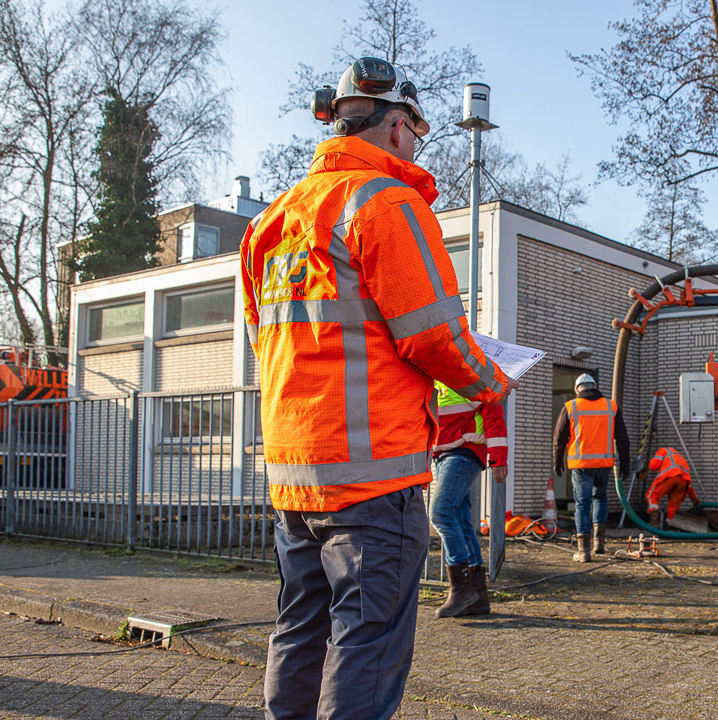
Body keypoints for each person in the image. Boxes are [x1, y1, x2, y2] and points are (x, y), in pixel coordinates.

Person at [240, 56, 512, 720]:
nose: (417, 147)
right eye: (418, 133)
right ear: (397, 128)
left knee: (301, 630)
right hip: (372, 482)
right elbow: (432, 336)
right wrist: (491, 382)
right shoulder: (387, 204)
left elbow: (265, 341)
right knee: (368, 641)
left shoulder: (271, 224)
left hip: (294, 480)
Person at [429, 380, 509, 618]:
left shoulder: (473, 375)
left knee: (440, 512)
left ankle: (461, 589)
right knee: (461, 521)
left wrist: (498, 458)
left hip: (464, 449)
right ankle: (477, 597)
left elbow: (493, 414)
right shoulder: (438, 376)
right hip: (445, 452)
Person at [552, 373, 629, 562]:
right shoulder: (611, 406)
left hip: (581, 466)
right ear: (594, 386)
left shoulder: (570, 406)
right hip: (604, 464)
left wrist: (557, 461)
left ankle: (583, 551)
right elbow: (623, 438)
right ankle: (599, 544)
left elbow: (559, 439)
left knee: (582, 505)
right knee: (600, 499)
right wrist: (624, 464)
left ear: (578, 389)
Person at [646, 446, 697, 527]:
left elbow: (653, 466)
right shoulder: (679, 457)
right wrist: (694, 499)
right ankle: (670, 525)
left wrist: (650, 462)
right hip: (683, 481)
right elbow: (689, 487)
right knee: (673, 505)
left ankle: (654, 522)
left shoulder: (662, 450)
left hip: (670, 476)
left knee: (652, 496)